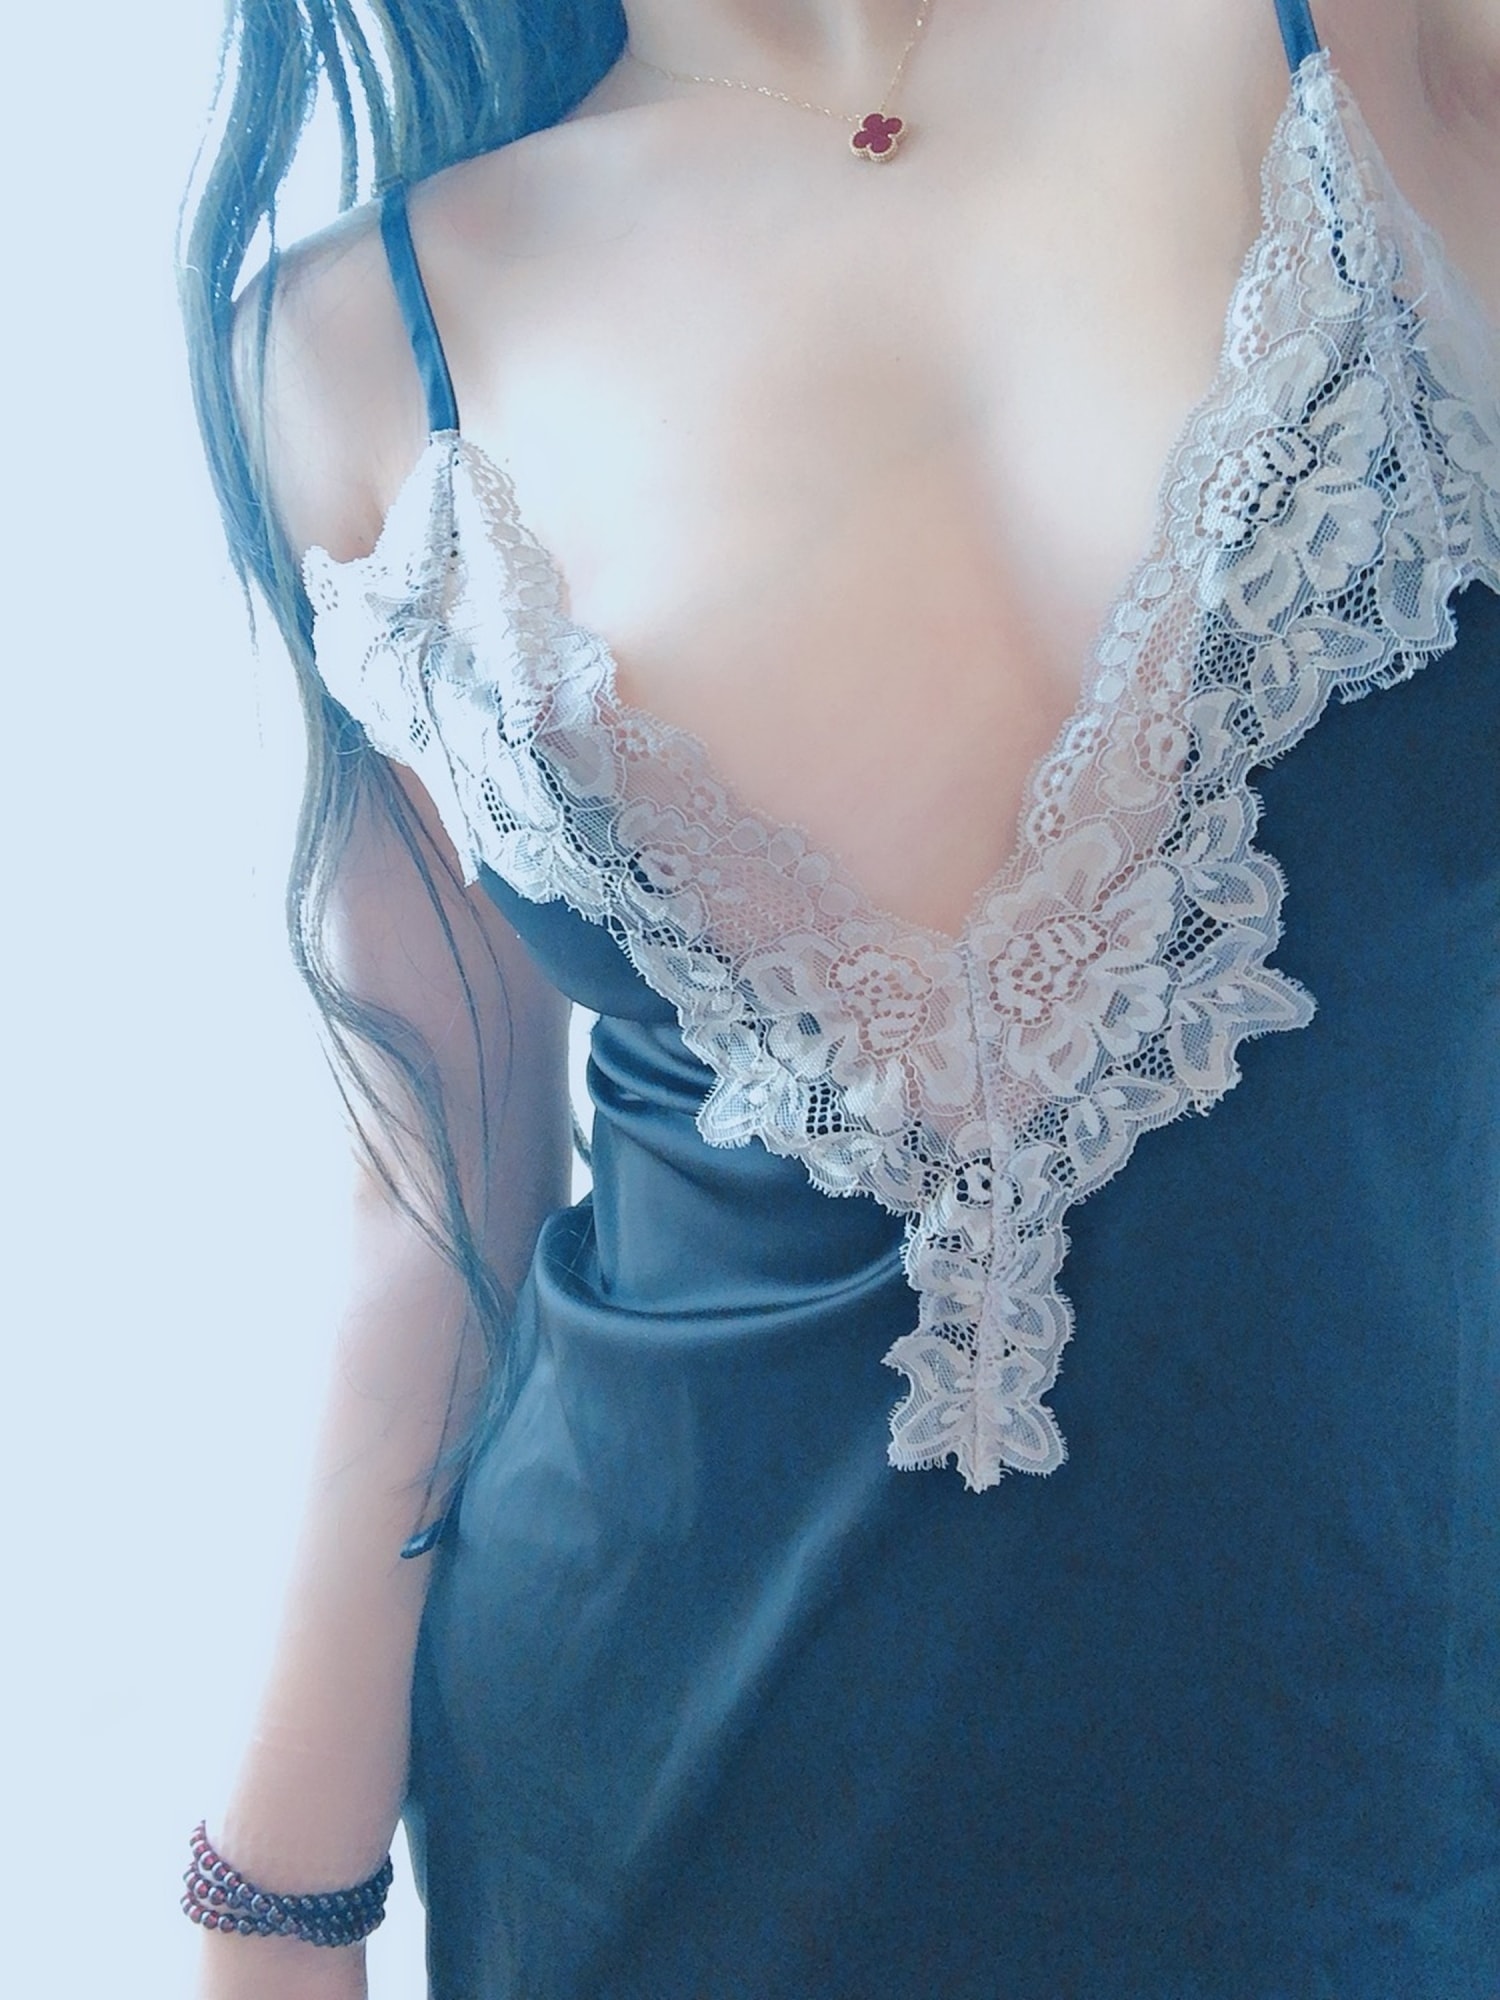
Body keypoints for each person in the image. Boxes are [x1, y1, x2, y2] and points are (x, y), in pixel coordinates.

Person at [180, 0, 1499, 1993]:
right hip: (650, 1835)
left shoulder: (1384, 47)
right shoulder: (355, 347)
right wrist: (276, 1910)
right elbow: (431, 1195)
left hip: (1381, 1820)